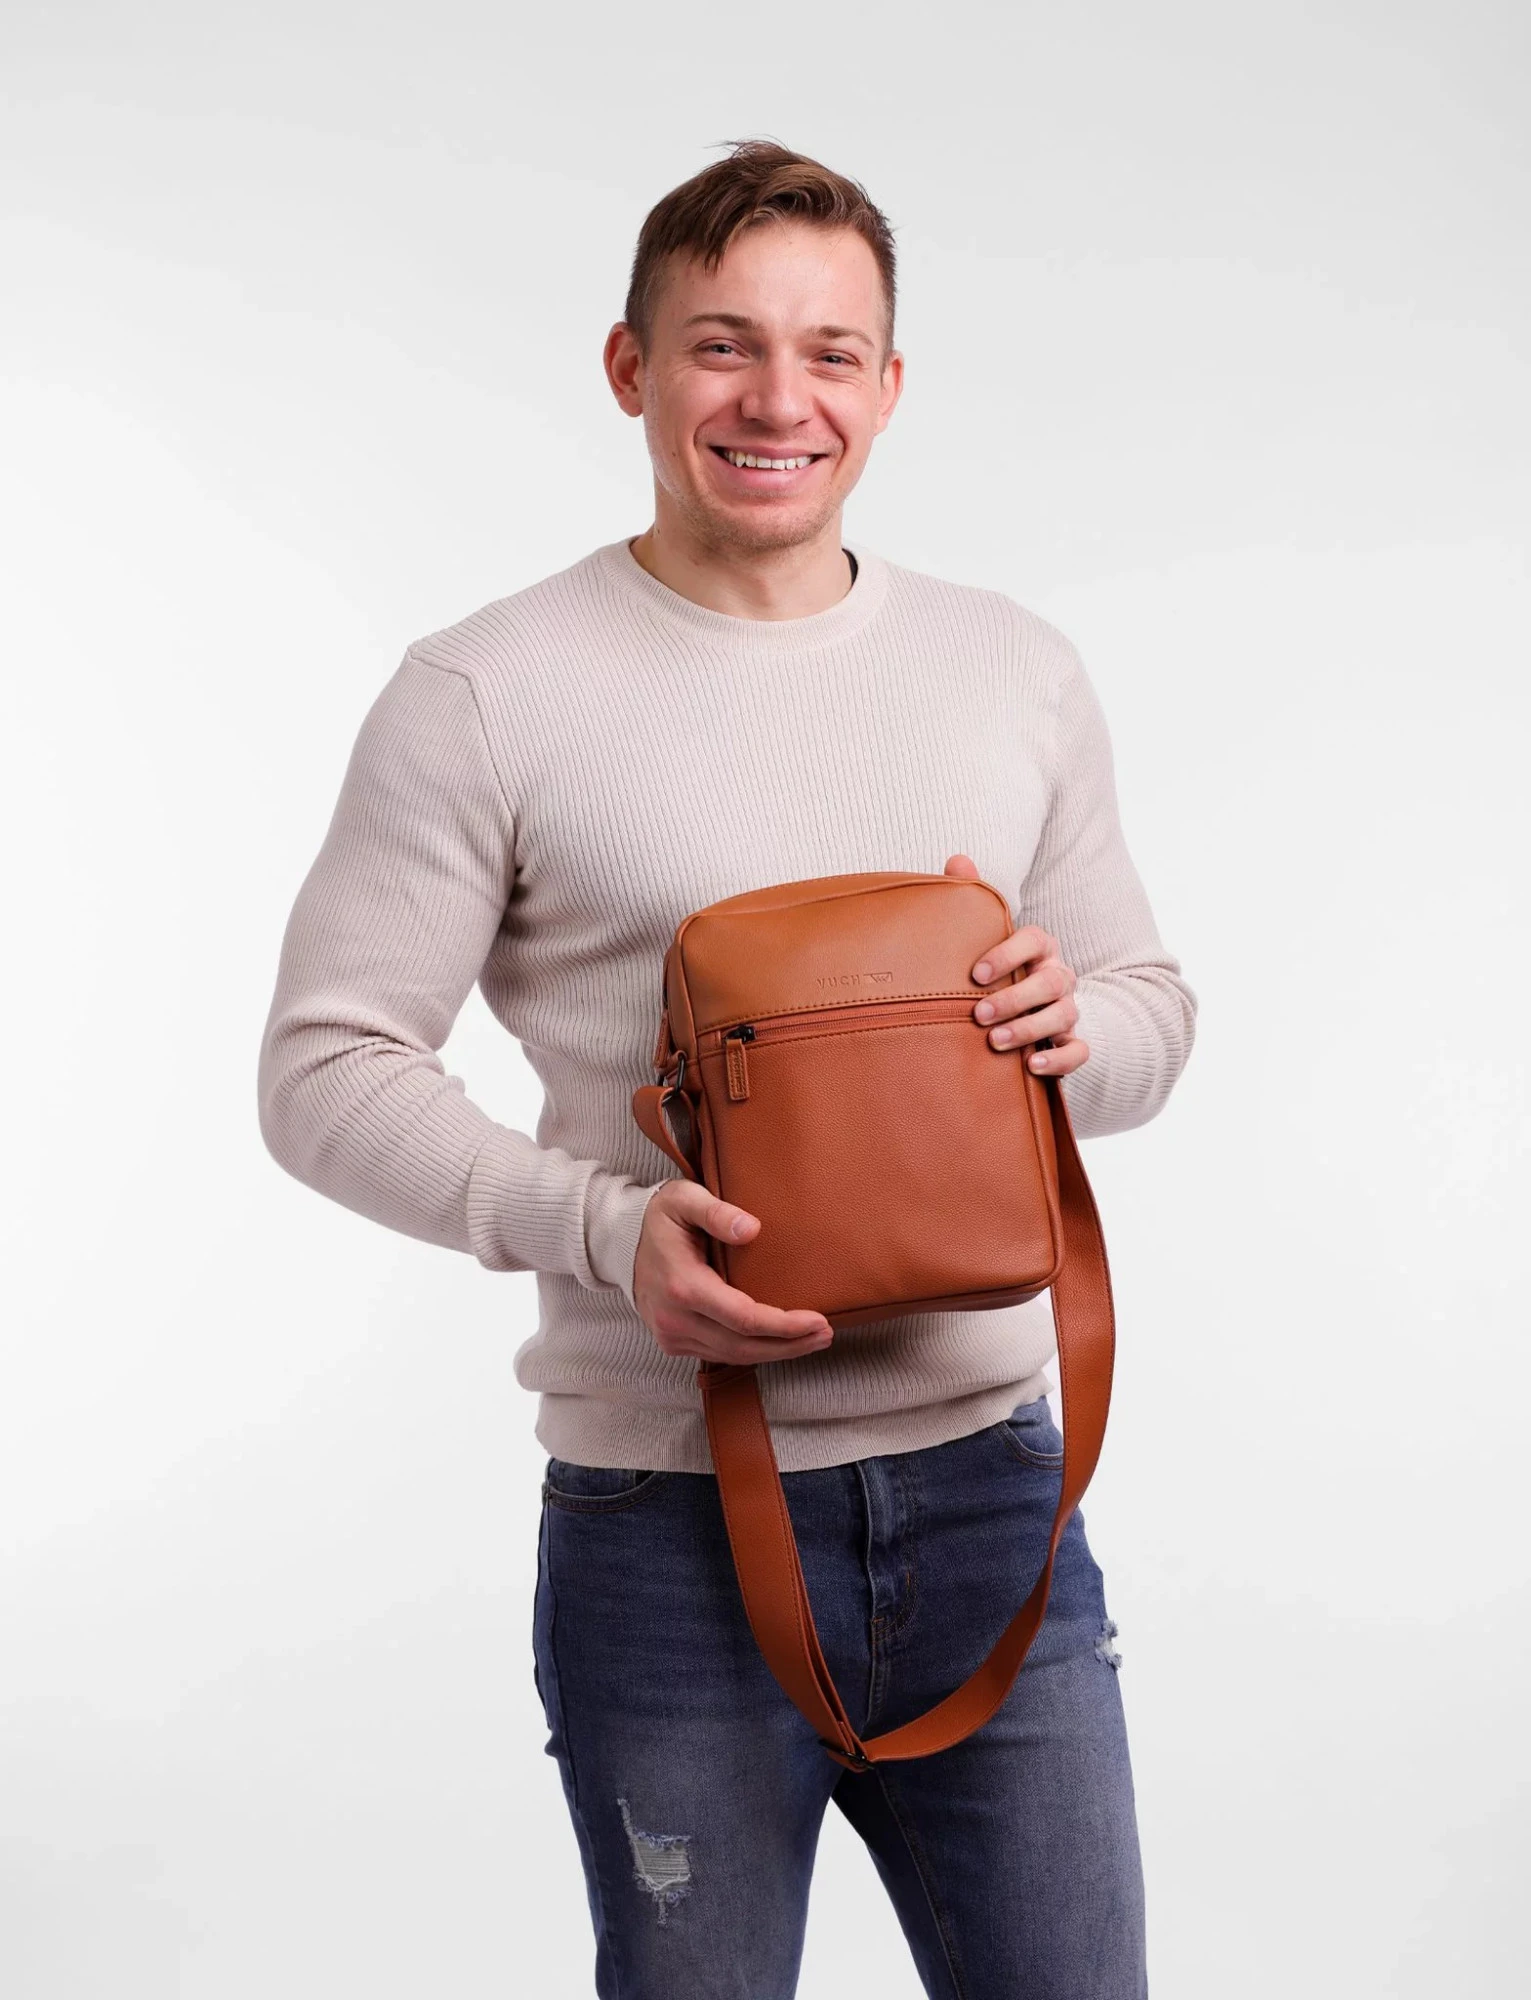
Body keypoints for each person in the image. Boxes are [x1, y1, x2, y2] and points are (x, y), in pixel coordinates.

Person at [257, 138, 1197, 2000]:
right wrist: (603, 1233)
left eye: (830, 352)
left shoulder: (1012, 668)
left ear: (890, 385)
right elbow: (322, 1067)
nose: (780, 401)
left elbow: (1148, 1010)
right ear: (630, 367)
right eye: (722, 346)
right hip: (665, 1528)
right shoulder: (485, 692)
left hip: (995, 1496)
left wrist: (1070, 1033)